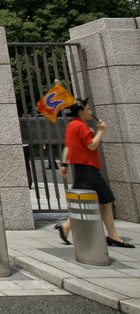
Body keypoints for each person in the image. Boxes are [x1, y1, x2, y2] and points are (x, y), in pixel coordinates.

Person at [55, 99, 134, 248]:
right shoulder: (81, 126)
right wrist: (101, 131)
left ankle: (67, 227)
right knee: (105, 200)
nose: (90, 112)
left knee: (98, 201)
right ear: (80, 110)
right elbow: (92, 145)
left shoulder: (71, 126)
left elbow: (67, 147)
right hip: (88, 168)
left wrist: (64, 164)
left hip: (80, 168)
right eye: (88, 109)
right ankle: (112, 235)